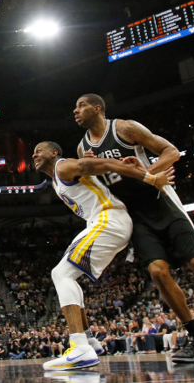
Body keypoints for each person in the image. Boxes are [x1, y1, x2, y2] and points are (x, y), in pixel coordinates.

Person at [74, 93, 194, 362]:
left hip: (161, 202)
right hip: (136, 217)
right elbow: (95, 185)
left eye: (81, 105)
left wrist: (150, 173)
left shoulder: (124, 128)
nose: (76, 111)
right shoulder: (82, 148)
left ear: (97, 108)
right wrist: (90, 167)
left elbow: (171, 151)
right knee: (157, 271)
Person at [32, 141, 173, 370]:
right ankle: (88, 340)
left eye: (39, 150)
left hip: (109, 219)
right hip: (104, 222)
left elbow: (108, 163)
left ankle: (80, 347)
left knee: (61, 274)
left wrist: (150, 177)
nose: (34, 154)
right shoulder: (57, 177)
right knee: (65, 275)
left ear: (54, 152)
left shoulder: (63, 166)